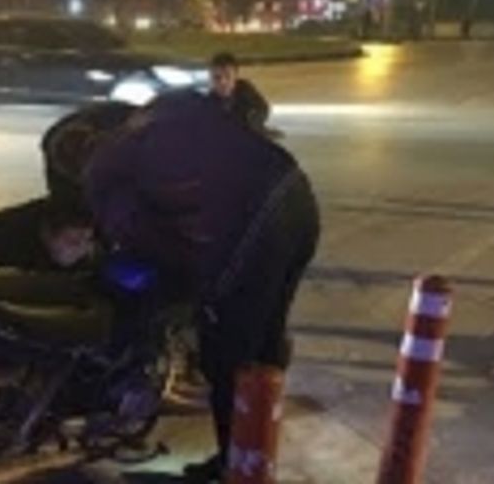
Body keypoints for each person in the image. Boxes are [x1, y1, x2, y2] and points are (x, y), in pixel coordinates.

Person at [84, 90, 320, 483]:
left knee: (225, 349)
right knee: (264, 339)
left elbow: (153, 240)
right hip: (296, 195)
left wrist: (191, 285)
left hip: (254, 216)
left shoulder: (102, 176)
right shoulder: (165, 117)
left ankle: (235, 465)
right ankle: (252, 457)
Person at [207, 52, 273, 135]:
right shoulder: (210, 101)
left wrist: (253, 122)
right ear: (211, 78)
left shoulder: (245, 88)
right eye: (217, 78)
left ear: (235, 76)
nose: (223, 82)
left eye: (228, 76)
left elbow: (263, 108)